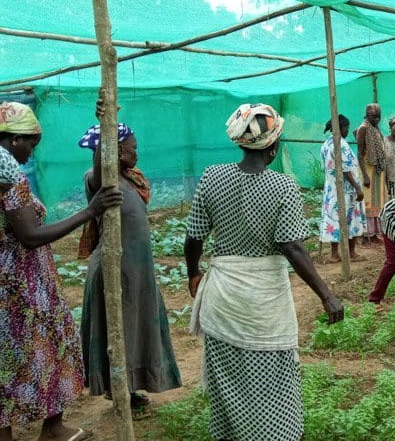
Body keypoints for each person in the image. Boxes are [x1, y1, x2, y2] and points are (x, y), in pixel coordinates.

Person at [184, 103, 344, 440]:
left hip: (223, 299)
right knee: (272, 380)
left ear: (240, 141)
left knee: (229, 382)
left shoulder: (212, 177)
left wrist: (193, 274)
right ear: (273, 148)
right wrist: (326, 295)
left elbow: (193, 237)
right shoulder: (283, 187)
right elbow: (292, 247)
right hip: (263, 306)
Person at [1, 101, 122, 441]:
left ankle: (49, 428)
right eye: (30, 144)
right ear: (13, 140)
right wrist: (90, 211)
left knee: (16, 356)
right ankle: (41, 430)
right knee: (41, 347)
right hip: (20, 290)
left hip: (16, 283)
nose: (31, 153)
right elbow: (30, 236)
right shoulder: (7, 172)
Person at [77, 119, 182, 410]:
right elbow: (99, 169)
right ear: (118, 151)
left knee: (136, 326)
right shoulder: (99, 179)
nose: (137, 152)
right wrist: (105, 130)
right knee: (119, 329)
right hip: (116, 269)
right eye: (133, 148)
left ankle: (131, 385)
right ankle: (118, 389)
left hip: (137, 269)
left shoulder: (129, 178)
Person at [320, 114, 366, 263]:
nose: (348, 129)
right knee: (350, 219)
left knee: (334, 219)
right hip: (345, 190)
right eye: (346, 127)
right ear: (339, 128)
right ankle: (351, 253)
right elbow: (345, 170)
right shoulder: (341, 144)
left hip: (331, 189)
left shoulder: (326, 144)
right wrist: (357, 188)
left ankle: (334, 254)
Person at [356, 103, 387, 248]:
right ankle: (366, 236)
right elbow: (359, 153)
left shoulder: (375, 128)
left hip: (377, 172)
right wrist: (365, 176)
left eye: (378, 116)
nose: (376, 119)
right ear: (367, 116)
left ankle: (375, 234)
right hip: (367, 170)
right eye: (372, 117)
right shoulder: (363, 128)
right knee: (368, 202)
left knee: (376, 202)